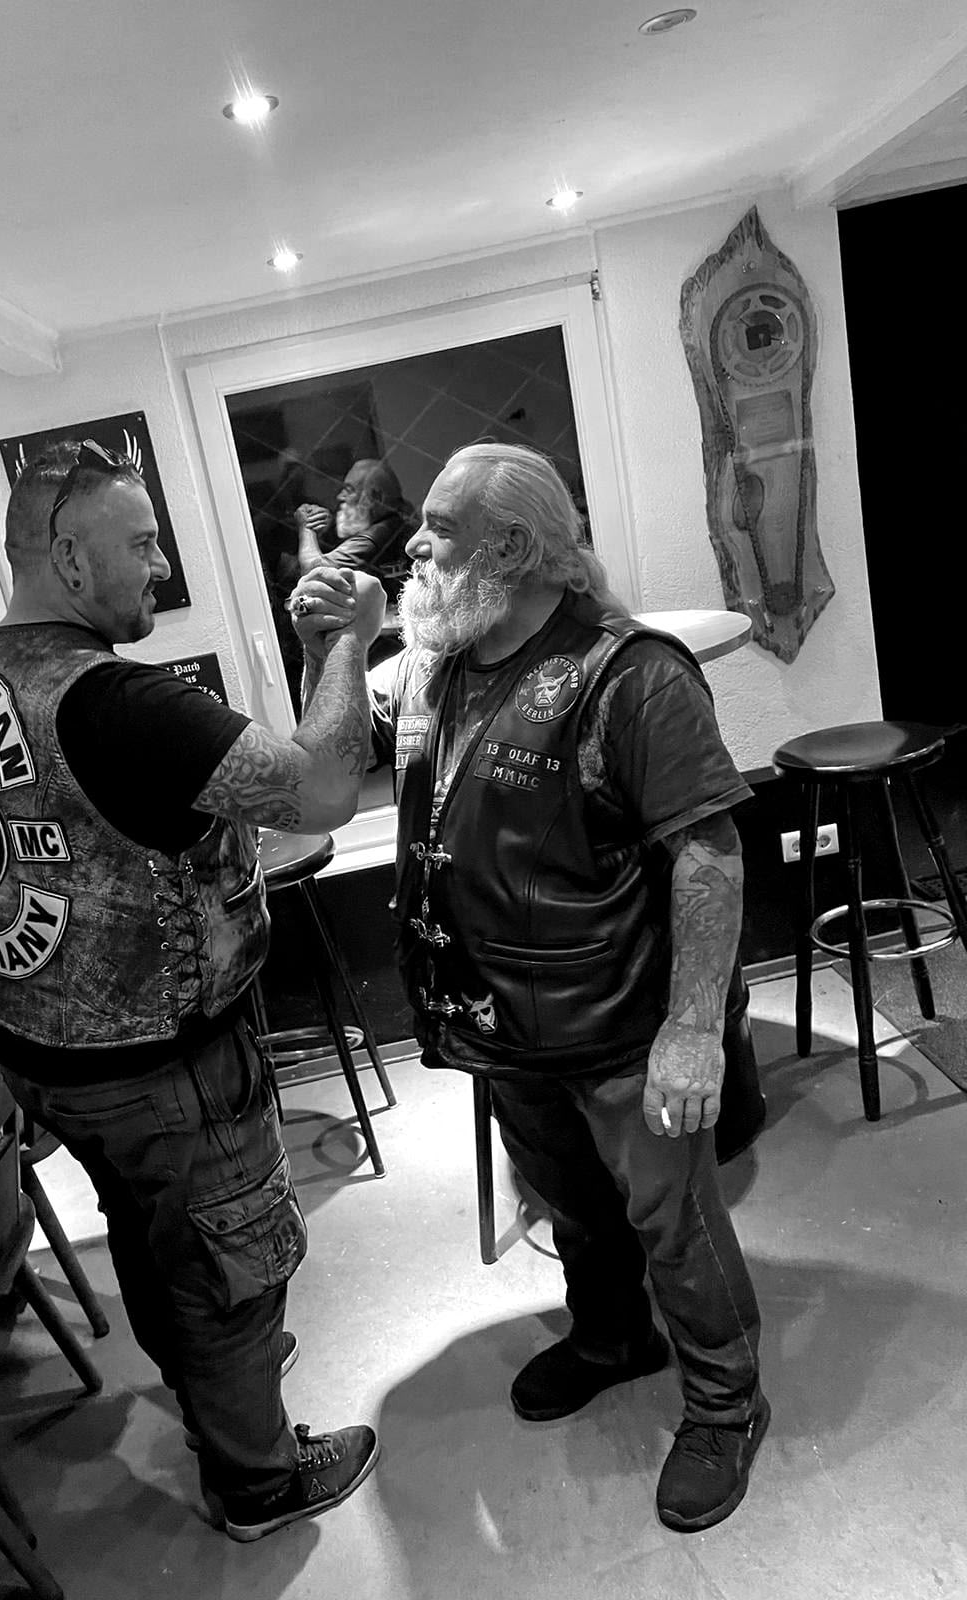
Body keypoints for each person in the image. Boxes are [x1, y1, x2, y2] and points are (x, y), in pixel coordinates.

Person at [0, 439, 385, 1543]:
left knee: (148, 1231)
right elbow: (322, 790)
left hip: (39, 1050)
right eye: (143, 543)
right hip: (161, 1060)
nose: (162, 566)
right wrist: (349, 642)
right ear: (71, 559)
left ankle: (207, 1388)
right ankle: (259, 1480)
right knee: (232, 1267)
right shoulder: (117, 700)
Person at [290, 441, 768, 1534]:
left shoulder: (631, 674)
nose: (415, 543)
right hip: (499, 1026)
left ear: (511, 547)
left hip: (621, 1026)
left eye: (441, 528)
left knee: (675, 1223)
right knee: (575, 1208)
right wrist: (340, 644)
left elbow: (709, 852)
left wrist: (693, 1028)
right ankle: (612, 1338)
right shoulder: (433, 665)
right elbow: (325, 779)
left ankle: (726, 1406)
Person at [294, 458, 413, 598]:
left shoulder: (374, 537)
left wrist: (306, 529)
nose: (340, 496)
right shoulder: (399, 520)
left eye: (349, 490)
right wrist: (329, 528)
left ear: (376, 498)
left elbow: (313, 574)